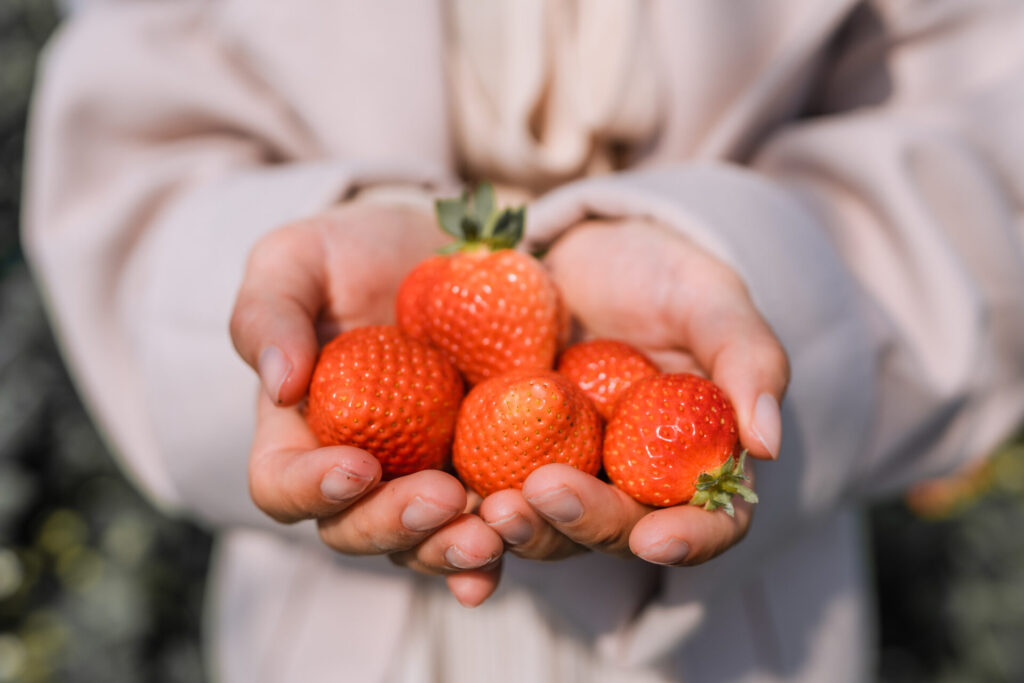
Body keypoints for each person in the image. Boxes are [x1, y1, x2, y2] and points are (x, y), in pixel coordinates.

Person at [21, 1, 1024, 681]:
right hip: (334, 633)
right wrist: (277, 289)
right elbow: (127, 148)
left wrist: (751, 271)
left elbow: (990, 122)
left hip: (748, 629)